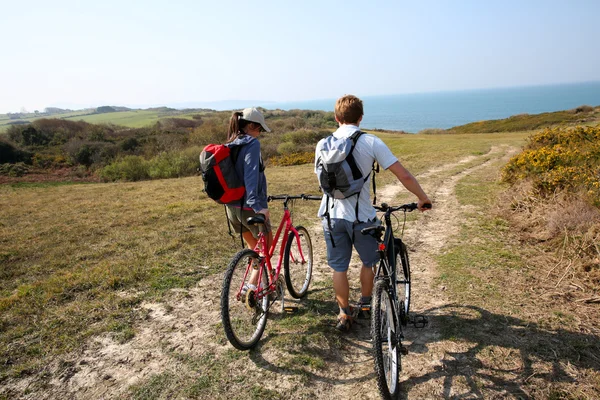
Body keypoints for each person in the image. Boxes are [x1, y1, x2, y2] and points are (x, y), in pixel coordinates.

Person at [314, 95, 432, 332]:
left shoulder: (322, 144)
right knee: (369, 262)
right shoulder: (370, 141)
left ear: (337, 118)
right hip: (362, 218)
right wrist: (422, 197)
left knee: (339, 268)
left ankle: (344, 314)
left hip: (331, 216)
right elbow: (404, 175)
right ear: (360, 117)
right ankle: (366, 304)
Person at [225, 107, 273, 255]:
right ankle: (254, 280)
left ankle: (255, 278)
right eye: (260, 129)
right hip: (248, 207)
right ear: (252, 126)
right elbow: (251, 175)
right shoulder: (252, 144)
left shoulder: (231, 143)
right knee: (267, 249)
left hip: (231, 207)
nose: (260, 134)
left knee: (255, 251)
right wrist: (257, 207)